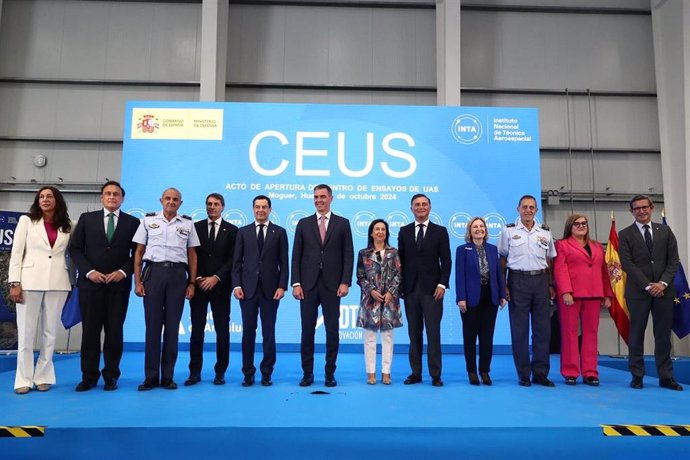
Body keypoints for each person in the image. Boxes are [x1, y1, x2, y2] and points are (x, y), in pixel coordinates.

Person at [69, 181, 140, 392]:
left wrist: (123, 272)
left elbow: (137, 254)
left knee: (114, 332)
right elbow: (75, 249)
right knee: (90, 332)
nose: (112, 197)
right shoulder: (86, 219)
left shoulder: (132, 222)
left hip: (118, 287)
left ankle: (111, 376)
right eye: (108, 193)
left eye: (116, 194)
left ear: (122, 198)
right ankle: (88, 376)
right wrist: (89, 272)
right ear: (101, 197)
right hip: (91, 286)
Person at [8, 186, 73, 394]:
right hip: (29, 282)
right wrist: (14, 282)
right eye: (41, 197)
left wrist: (73, 282)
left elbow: (71, 256)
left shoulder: (68, 225)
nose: (45, 200)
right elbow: (16, 254)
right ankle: (23, 379)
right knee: (26, 333)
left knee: (50, 333)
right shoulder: (27, 222)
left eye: (49, 197)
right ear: (37, 201)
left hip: (58, 282)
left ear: (57, 201)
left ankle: (43, 375)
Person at [133, 188, 199, 391]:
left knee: (172, 329)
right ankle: (151, 377)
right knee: (152, 328)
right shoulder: (147, 221)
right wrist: (137, 281)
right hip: (153, 274)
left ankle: (168, 377)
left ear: (181, 203)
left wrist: (192, 283)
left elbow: (192, 255)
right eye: (168, 199)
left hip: (178, 276)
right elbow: (139, 252)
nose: (171, 202)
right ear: (161, 200)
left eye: (175, 199)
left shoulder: (187, 223)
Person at [618, 195, 683, 391]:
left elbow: (673, 260)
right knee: (636, 334)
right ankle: (637, 376)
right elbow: (627, 263)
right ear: (632, 212)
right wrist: (648, 285)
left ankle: (666, 377)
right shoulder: (625, 234)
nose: (641, 211)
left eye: (644, 207)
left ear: (652, 208)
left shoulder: (665, 230)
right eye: (636, 208)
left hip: (664, 291)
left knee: (662, 336)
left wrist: (662, 283)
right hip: (638, 292)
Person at [292, 184, 354, 387]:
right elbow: (296, 256)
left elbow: (348, 255)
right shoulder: (303, 223)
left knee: (332, 331)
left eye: (323, 197)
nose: (319, 200)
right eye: (316, 197)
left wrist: (345, 282)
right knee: (307, 331)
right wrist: (296, 283)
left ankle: (329, 373)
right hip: (307, 286)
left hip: (332, 285)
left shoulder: (343, 223)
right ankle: (307, 373)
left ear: (331, 198)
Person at [498, 194, 557, 387]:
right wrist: (504, 285)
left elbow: (549, 261)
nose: (528, 210)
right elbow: (503, 259)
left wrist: (550, 285)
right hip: (518, 281)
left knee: (542, 330)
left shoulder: (545, 233)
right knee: (519, 331)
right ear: (518, 209)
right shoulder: (508, 232)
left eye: (532, 207)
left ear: (536, 211)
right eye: (525, 207)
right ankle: (524, 373)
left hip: (540, 281)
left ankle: (540, 373)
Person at [232, 195, 288, 387]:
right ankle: (248, 373)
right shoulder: (243, 232)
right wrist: (237, 285)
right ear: (252, 209)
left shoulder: (279, 232)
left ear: (270, 209)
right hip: (246, 291)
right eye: (257, 207)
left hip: (271, 291)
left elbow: (284, 263)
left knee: (268, 332)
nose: (260, 210)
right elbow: (236, 263)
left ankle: (266, 373)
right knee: (248, 332)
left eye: (264, 207)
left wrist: (282, 286)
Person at [398, 194, 451, 387]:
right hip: (410, 290)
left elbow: (446, 260)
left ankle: (436, 374)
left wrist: (442, 284)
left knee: (433, 333)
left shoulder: (440, 231)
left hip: (433, 291)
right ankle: (416, 372)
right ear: (411, 208)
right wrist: (400, 287)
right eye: (416, 205)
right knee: (414, 333)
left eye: (424, 204)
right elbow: (400, 262)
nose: (420, 207)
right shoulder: (403, 232)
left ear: (430, 207)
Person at [553, 214, 613, 386]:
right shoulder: (562, 245)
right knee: (569, 333)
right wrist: (565, 292)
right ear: (570, 227)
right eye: (577, 224)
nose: (581, 226)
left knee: (591, 334)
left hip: (594, 294)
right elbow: (560, 269)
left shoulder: (596, 246)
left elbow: (604, 271)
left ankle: (590, 372)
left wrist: (607, 294)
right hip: (571, 295)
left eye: (584, 223)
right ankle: (570, 371)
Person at [184, 193, 237, 387]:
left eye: (215, 204)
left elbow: (233, 259)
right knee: (197, 331)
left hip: (221, 287)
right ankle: (194, 372)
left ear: (223, 206)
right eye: (208, 204)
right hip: (198, 286)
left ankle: (220, 372)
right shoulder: (194, 228)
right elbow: (188, 255)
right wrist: (196, 279)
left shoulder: (232, 230)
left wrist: (216, 278)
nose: (212, 207)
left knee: (222, 331)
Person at [455, 217, 506, 386]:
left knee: (487, 337)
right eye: (475, 227)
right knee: (470, 337)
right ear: (470, 231)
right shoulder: (463, 250)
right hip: (470, 299)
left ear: (486, 230)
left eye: (482, 226)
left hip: (490, 297)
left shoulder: (493, 249)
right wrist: (461, 298)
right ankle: (471, 371)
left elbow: (499, 274)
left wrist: (502, 295)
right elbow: (459, 276)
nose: (479, 229)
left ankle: (485, 371)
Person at [356, 219, 402, 385]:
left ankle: (386, 372)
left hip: (390, 301)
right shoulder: (363, 253)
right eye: (377, 229)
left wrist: (391, 292)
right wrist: (371, 291)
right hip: (370, 302)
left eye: (383, 229)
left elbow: (399, 274)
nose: (380, 232)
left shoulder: (394, 252)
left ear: (386, 233)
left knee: (388, 337)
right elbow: (360, 277)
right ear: (371, 232)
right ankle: (370, 372)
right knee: (369, 337)